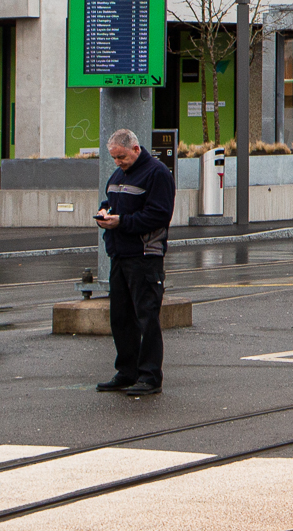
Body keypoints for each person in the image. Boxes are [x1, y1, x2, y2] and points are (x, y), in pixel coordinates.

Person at [94, 129, 175, 397]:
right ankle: (127, 371)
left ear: (136, 149)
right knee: (121, 318)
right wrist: (105, 211)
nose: (118, 162)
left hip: (145, 255)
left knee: (146, 317)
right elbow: (112, 201)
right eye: (114, 158)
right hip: (119, 254)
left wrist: (121, 222)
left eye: (122, 157)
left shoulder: (157, 173)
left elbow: (159, 215)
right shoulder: (118, 175)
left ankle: (150, 376)